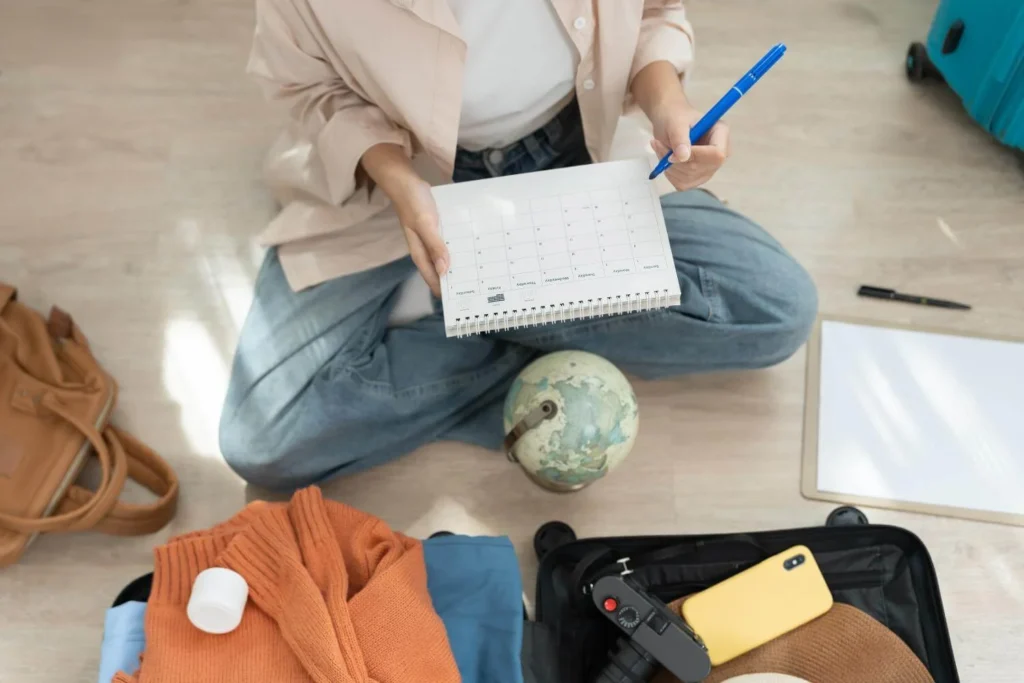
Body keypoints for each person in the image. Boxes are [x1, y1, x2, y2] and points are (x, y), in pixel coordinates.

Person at [219, 0, 818, 490]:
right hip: (409, 182)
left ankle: (477, 308)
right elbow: (312, 89)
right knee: (265, 438)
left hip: (571, 150)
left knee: (779, 310)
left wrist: (669, 106)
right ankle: (517, 308)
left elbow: (654, 11)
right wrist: (398, 181)